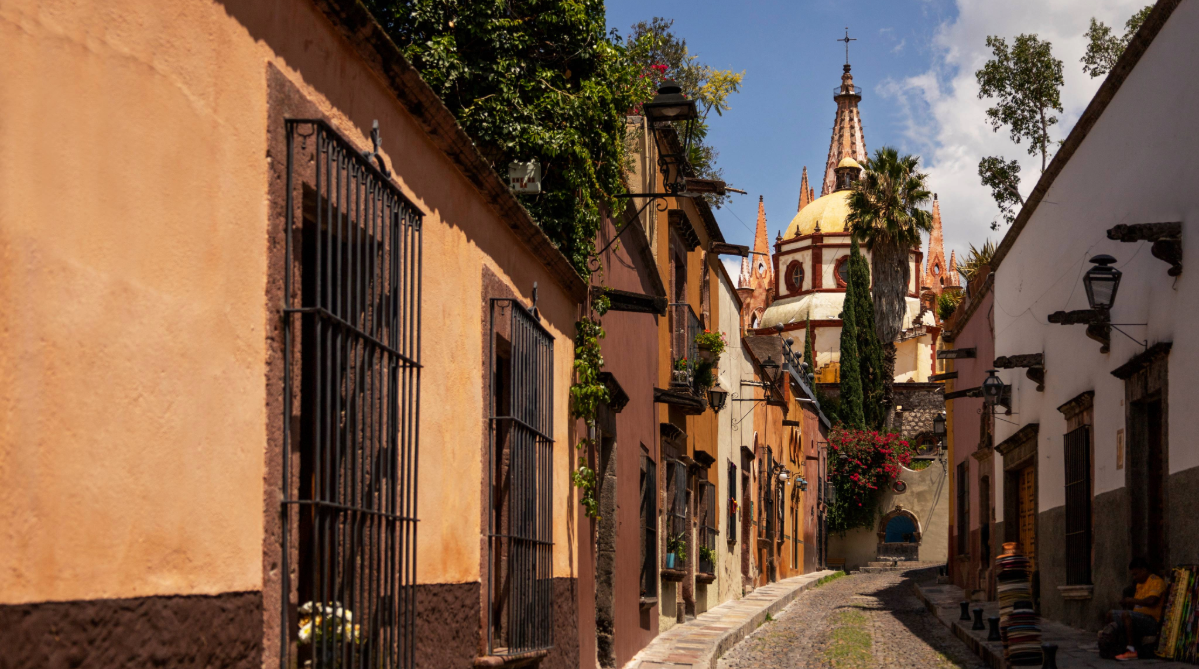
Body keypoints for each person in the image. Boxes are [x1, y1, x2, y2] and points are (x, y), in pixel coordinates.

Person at [1102, 557, 1167, 661]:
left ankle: (1131, 650)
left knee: (1127, 615)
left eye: (1136, 574)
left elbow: (1151, 601)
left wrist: (1132, 601)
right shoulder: (1139, 584)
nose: (1134, 577)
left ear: (1144, 570)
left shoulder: (1156, 581)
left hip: (1152, 621)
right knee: (1111, 614)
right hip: (1138, 618)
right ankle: (1115, 644)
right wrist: (1127, 603)